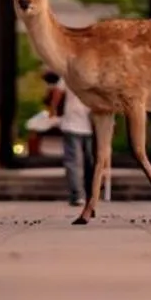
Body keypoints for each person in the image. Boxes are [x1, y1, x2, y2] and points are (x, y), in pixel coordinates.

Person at [57, 74, 96, 207]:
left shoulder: (71, 76)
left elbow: (57, 94)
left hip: (85, 126)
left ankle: (83, 194)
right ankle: (80, 194)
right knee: (78, 161)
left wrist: (53, 111)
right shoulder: (71, 76)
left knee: (83, 162)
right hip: (76, 125)